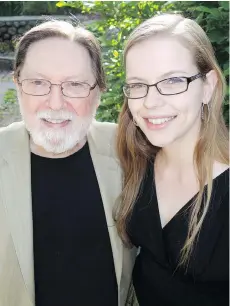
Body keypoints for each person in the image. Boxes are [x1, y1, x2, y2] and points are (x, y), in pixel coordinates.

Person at [0, 20, 135, 306]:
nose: (56, 103)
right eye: (38, 83)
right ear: (18, 85)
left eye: (74, 84)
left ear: (98, 91)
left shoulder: (129, 151)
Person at [116, 13, 229, 306]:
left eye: (173, 80)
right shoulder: (137, 159)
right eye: (138, 85)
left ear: (208, 86)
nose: (151, 102)